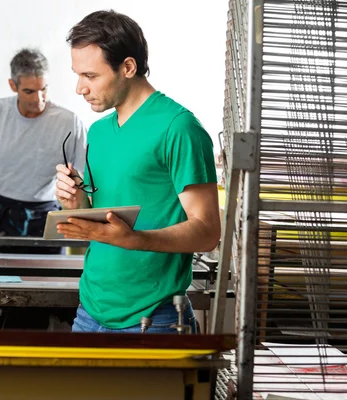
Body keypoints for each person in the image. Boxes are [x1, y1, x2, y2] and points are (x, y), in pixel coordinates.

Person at [56, 10, 221, 333]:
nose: (79, 88)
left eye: (90, 76)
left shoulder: (179, 128)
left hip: (153, 316)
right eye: (78, 75)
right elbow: (97, 216)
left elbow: (207, 232)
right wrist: (74, 201)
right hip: (90, 309)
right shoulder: (100, 131)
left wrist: (134, 239)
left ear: (128, 67)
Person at [0, 48, 87, 254]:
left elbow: (87, 179)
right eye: (29, 91)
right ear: (13, 85)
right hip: (1, 213)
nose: (38, 98)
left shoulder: (69, 122)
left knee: (51, 282)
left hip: (47, 215)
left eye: (44, 89)